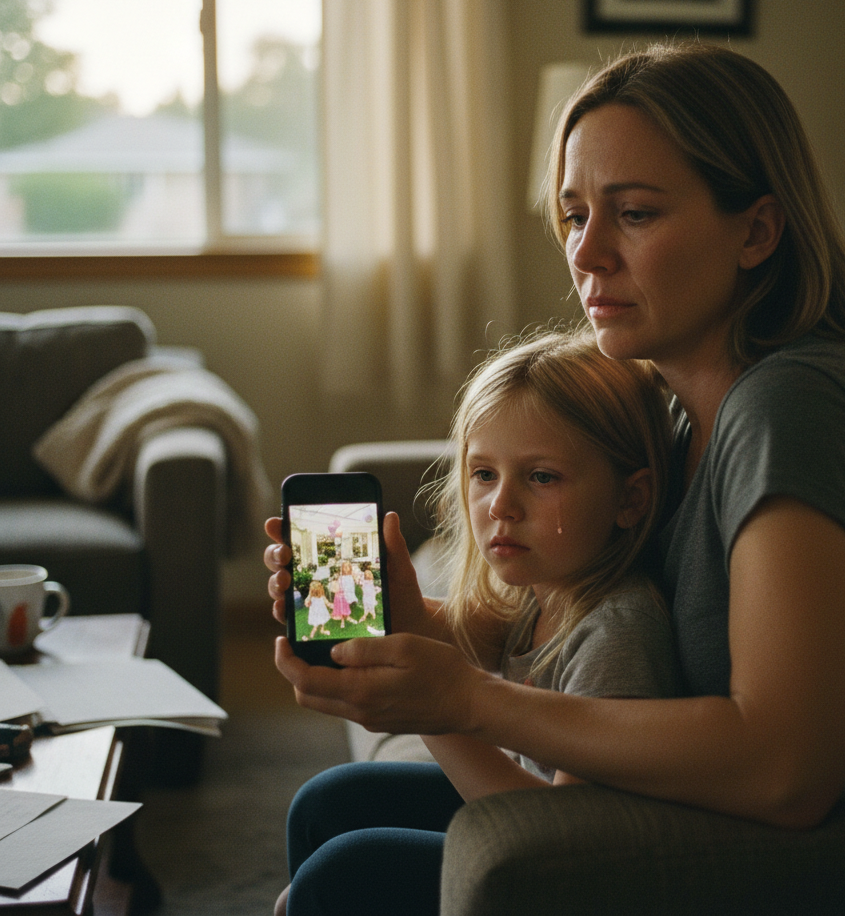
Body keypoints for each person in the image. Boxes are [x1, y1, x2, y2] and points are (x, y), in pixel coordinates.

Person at [266, 43, 845, 914]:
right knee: (337, 806)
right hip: (699, 808)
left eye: (634, 214)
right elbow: (576, 613)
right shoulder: (668, 406)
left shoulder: (795, 404)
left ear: (756, 231)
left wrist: (470, 700)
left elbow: (787, 767)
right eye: (573, 215)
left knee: (354, 875)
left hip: (829, 858)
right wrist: (417, 630)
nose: (588, 254)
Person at [273, 327, 679, 915]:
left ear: (630, 499)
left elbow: (569, 848)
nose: (500, 506)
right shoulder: (548, 589)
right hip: (531, 829)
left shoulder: (617, 632)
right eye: (484, 474)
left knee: (343, 875)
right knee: (325, 803)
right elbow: (470, 634)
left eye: (541, 477)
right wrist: (393, 608)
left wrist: (430, 712)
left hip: (563, 873)